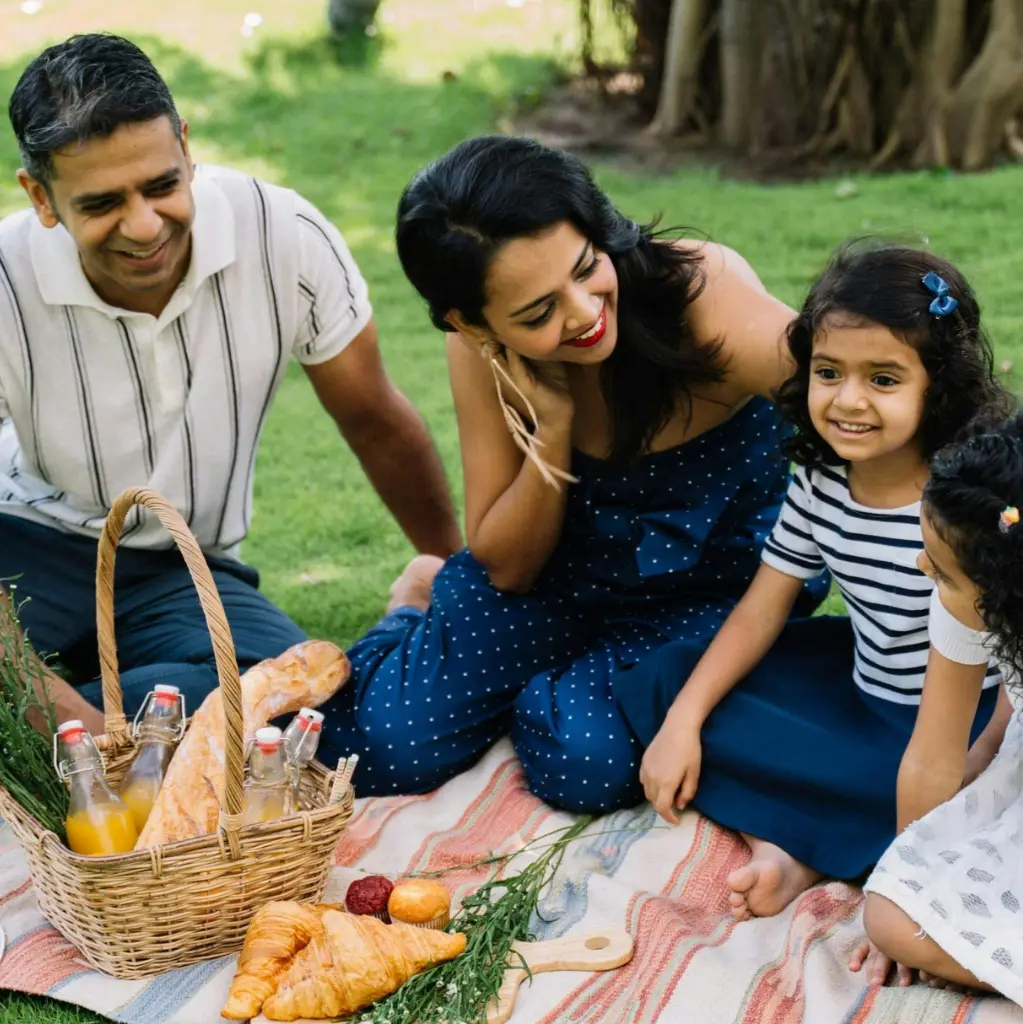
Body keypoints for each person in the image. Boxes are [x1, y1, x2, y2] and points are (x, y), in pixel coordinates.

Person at [316, 133, 828, 807]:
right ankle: (419, 605)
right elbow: (507, 566)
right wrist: (550, 433)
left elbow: (853, 408)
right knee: (372, 752)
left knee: (581, 764)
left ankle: (551, 681)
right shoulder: (481, 352)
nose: (584, 313)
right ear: (469, 322)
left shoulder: (701, 294)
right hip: (554, 582)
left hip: (708, 587)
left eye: (585, 268)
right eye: (537, 312)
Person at [0, 34, 460, 733]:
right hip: (24, 540)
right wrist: (71, 724)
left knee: (293, 709)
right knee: (194, 728)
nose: (144, 226)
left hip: (175, 567)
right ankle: (84, 698)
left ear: (186, 148)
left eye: (160, 185)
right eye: (101, 204)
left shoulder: (286, 237)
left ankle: (77, 701)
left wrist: (454, 578)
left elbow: (373, 418)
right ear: (40, 195)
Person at [617, 244, 1014, 920]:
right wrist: (683, 721)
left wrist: (980, 761)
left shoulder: (967, 500)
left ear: (936, 387)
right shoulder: (820, 479)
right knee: (668, 681)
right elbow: (760, 610)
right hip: (856, 690)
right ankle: (805, 841)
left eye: (883, 380)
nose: (847, 400)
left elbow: (1016, 651)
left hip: (957, 728)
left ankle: (798, 850)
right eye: (828, 372)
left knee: (945, 799)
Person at [849, 413, 1023, 1001]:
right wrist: (907, 878)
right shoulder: (968, 592)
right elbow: (932, 752)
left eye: (942, 572)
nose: (925, 570)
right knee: (890, 914)